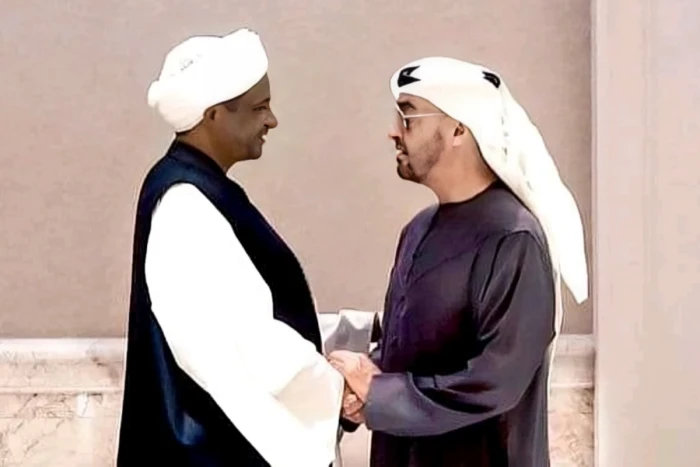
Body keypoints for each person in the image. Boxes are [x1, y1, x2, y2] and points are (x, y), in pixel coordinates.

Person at [329, 57, 589, 467]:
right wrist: (358, 388)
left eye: (408, 117)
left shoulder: (514, 240)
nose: (393, 132)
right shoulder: (417, 230)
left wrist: (378, 394)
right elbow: (413, 352)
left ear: (457, 130)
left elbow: (494, 383)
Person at [116, 28, 349, 467]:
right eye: (259, 107)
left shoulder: (198, 187)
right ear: (214, 115)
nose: (272, 120)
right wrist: (336, 388)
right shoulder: (185, 200)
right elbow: (240, 343)